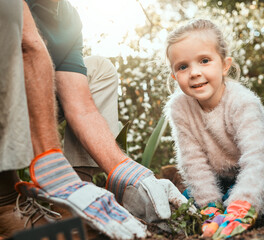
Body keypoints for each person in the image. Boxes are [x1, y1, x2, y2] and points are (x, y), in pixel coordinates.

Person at [0, 0, 188, 239]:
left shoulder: (65, 16)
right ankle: (4, 201)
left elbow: (80, 106)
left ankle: (76, 194)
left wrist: (127, 171)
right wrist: (53, 171)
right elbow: (29, 47)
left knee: (99, 68)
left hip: (25, 103)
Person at [164, 19, 264, 238]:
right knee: (189, 199)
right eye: (183, 66)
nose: (194, 72)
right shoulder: (179, 108)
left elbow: (259, 158)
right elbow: (193, 161)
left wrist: (243, 204)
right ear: (175, 76)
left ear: (224, 65)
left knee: (244, 200)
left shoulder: (243, 102)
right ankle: (231, 200)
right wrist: (209, 205)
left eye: (204, 60)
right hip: (222, 172)